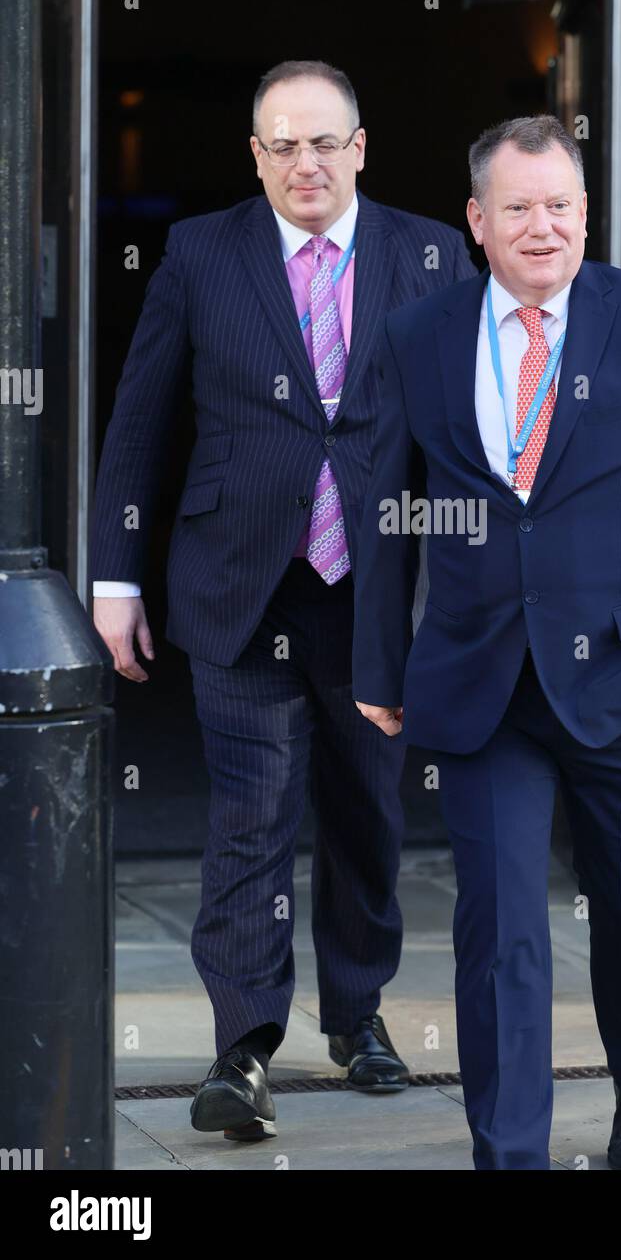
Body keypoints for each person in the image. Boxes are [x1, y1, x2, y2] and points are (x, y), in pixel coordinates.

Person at [90, 59, 477, 1142]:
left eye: (322, 142)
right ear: (254, 155)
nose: (303, 162)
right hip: (237, 579)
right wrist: (115, 574)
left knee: (365, 814)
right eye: (280, 144)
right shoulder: (201, 251)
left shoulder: (429, 254)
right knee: (249, 817)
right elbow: (139, 419)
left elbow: (464, 431)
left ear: (360, 147)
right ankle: (242, 1048)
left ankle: (357, 1016)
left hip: (373, 588)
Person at [352, 114, 621, 1170]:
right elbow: (382, 513)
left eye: (560, 206)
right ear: (476, 221)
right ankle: (510, 1152)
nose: (542, 227)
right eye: (517, 207)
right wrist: (376, 666)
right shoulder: (417, 335)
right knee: (499, 932)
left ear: (585, 213)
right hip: (480, 685)